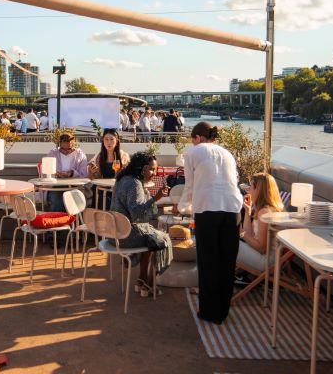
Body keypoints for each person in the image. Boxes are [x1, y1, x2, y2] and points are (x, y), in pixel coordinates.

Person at [176, 121, 242, 325]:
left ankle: (209, 312)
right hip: (233, 209)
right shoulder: (227, 153)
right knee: (227, 261)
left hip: (207, 208)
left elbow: (190, 186)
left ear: (197, 138)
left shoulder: (193, 153)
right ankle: (222, 310)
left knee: (208, 261)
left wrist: (182, 208)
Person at [110, 151, 173, 296]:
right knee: (161, 240)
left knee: (150, 236)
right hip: (126, 236)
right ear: (144, 168)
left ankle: (141, 281)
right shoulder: (134, 183)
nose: (154, 173)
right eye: (152, 169)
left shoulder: (122, 179)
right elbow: (137, 214)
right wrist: (154, 199)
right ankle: (149, 285)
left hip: (114, 233)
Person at [238, 172, 284, 273]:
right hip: (265, 258)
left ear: (259, 190)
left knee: (227, 242)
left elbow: (262, 248)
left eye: (251, 186)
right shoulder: (264, 209)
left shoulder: (265, 213)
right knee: (227, 241)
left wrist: (241, 233)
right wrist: (247, 211)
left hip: (266, 262)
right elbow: (250, 235)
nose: (248, 189)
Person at [88, 129, 130, 209]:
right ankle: (102, 217)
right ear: (103, 141)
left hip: (118, 188)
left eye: (111, 139)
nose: (109, 142)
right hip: (103, 187)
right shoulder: (100, 156)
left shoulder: (123, 156)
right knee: (99, 191)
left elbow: (127, 176)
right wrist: (93, 171)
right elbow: (98, 177)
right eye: (106, 139)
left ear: (117, 141)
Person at [46, 133, 88, 212]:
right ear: (59, 146)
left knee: (74, 202)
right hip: (56, 186)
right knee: (57, 201)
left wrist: (72, 173)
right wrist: (55, 174)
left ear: (74, 145)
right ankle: (56, 222)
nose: (65, 152)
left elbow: (84, 174)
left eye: (69, 149)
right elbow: (45, 172)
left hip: (75, 186)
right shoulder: (52, 154)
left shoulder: (80, 155)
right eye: (62, 149)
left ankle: (73, 222)